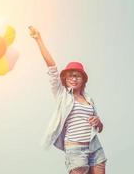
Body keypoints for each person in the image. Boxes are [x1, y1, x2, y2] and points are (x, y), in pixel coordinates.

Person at [28, 26, 107, 174]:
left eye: (77, 75)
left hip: (94, 146)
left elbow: (99, 128)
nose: (74, 78)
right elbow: (51, 67)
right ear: (65, 78)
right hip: (76, 150)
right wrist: (39, 40)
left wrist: (99, 122)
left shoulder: (89, 99)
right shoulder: (62, 94)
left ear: (83, 79)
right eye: (70, 75)